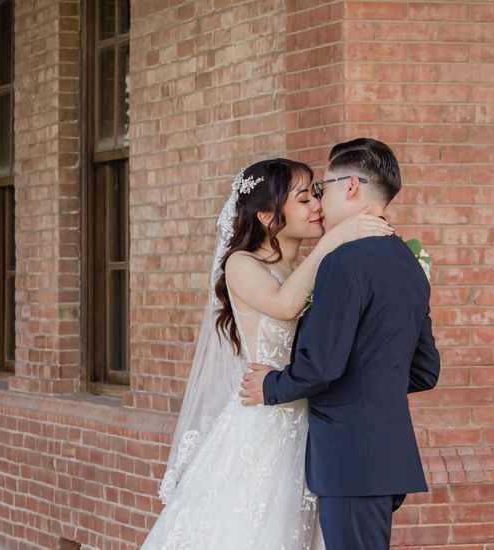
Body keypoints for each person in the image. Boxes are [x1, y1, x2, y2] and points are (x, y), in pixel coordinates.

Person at [142, 158, 393, 549]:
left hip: (318, 420)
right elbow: (284, 305)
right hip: (265, 424)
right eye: (304, 199)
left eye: (316, 196)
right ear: (266, 215)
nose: (317, 207)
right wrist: (335, 239)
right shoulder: (242, 264)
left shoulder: (321, 267)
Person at [240, 138, 441, 550]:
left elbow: (322, 366)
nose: (319, 200)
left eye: (324, 188)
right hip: (384, 457)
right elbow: (424, 371)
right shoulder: (409, 262)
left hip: (351, 460)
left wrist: (270, 386)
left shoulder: (344, 260)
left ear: (350, 186)